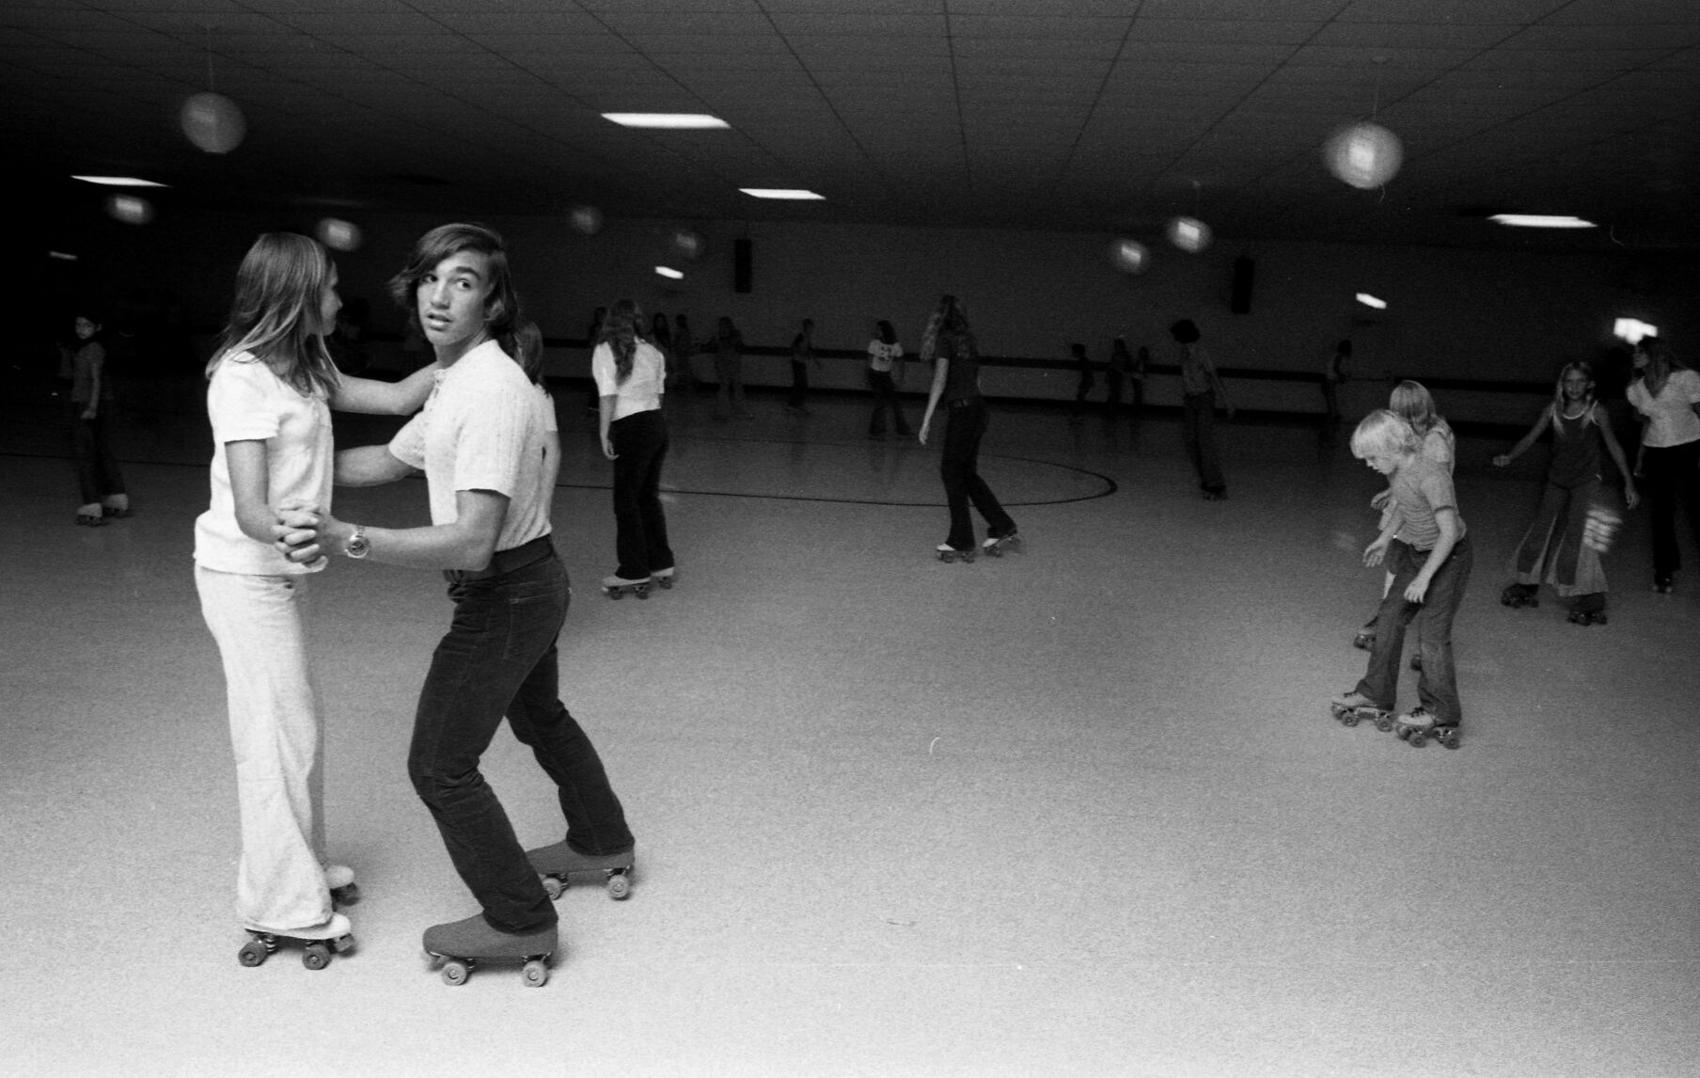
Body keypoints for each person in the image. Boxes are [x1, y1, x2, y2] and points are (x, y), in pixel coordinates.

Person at [287, 223, 635, 969]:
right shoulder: (456, 382)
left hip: (505, 591)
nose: (441, 297)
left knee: (439, 765)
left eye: (464, 282)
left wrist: (347, 537)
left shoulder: (491, 390)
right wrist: (295, 467)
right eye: (431, 279)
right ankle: (601, 840)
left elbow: (474, 540)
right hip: (531, 582)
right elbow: (389, 458)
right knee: (541, 715)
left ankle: (519, 919)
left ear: (493, 303)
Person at [193, 232, 441, 954]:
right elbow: (250, 508)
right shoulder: (241, 378)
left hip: (281, 574)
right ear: (298, 295)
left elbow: (395, 397)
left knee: (297, 724)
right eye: (331, 287)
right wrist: (310, 533)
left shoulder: (305, 364)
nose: (341, 297)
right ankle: (280, 903)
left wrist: (464, 362)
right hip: (244, 574)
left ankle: (300, 865)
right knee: (274, 736)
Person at [1330, 409, 1472, 749]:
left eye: (1372, 457)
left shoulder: (1432, 475)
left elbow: (1449, 532)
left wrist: (1424, 579)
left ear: (1394, 448)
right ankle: (1376, 692)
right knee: (1389, 619)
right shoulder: (1398, 471)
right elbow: (1404, 506)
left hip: (1448, 557)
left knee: (1432, 639)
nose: (1369, 465)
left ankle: (1442, 711)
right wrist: (1385, 538)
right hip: (1417, 552)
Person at [1493, 362, 1638, 622]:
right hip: (1557, 480)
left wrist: (1628, 481)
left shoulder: (1596, 412)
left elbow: (1614, 446)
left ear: (1589, 384)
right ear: (1562, 384)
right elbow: (1531, 436)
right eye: (1569, 382)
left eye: (1579, 381)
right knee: (1539, 530)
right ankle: (1526, 582)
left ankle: (1591, 595)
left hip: (1586, 482)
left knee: (1578, 535)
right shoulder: (1554, 410)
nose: (1574, 387)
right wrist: (1509, 456)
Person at [1352, 380, 1455, 652]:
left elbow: (1433, 483)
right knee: (1397, 568)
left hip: (1423, 524)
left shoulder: (1435, 440)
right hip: (1406, 514)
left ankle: (1401, 631)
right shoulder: (1409, 437)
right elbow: (1409, 476)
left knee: (1417, 578)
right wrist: (1391, 491)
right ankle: (1386, 621)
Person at [918, 294, 1017, 559]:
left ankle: (961, 539)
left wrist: (927, 418)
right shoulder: (968, 341)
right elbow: (977, 379)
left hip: (963, 411)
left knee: (951, 472)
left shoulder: (945, 340)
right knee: (967, 474)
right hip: (977, 408)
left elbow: (939, 380)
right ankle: (1002, 524)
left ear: (938, 317)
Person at [594, 299, 676, 595]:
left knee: (626, 501)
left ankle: (633, 569)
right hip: (656, 426)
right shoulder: (654, 352)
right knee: (647, 498)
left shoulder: (605, 351)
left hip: (631, 427)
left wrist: (604, 433)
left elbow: (607, 396)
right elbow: (660, 395)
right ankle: (660, 562)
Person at [1625, 337, 1700, 593]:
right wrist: (1640, 457)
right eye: (1634, 352)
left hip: (1689, 446)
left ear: (1654, 353)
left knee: (1695, 508)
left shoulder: (1685, 378)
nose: (1635, 355)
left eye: (1640, 351)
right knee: (1661, 513)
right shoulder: (1636, 389)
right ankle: (1664, 571)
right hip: (1658, 450)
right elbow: (1645, 423)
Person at [64, 310, 129, 525]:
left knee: (85, 455)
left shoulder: (93, 349)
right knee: (101, 451)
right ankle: (116, 496)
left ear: (98, 327)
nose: (81, 330)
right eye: (78, 325)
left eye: (87, 326)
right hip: (95, 404)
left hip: (87, 404)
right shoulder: (85, 349)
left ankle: (92, 503)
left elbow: (96, 380)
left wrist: (91, 406)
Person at [1170, 318, 1234, 498]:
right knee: (1190, 441)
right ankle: (1206, 479)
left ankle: (1217, 485)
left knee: (1205, 442)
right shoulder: (1183, 353)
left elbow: (1214, 377)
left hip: (1204, 399)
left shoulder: (1201, 352)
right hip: (1190, 400)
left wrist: (1227, 402)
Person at [866, 318, 911, 437]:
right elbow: (869, 360)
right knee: (879, 403)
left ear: (884, 331)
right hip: (875, 375)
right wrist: (867, 376)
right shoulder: (874, 343)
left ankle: (902, 429)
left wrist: (899, 377)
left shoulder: (895, 346)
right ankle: (876, 431)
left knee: (895, 403)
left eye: (878, 329)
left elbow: (901, 362)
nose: (876, 331)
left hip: (886, 375)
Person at [703, 315, 749, 419]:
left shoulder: (736, 334)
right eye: (720, 325)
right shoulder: (717, 335)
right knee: (724, 386)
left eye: (724, 324)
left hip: (733, 362)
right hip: (721, 363)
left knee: (737, 385)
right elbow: (709, 345)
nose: (722, 326)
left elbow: (739, 345)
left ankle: (740, 410)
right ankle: (722, 411)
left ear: (729, 325)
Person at [787, 317, 820, 414]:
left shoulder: (808, 338)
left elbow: (809, 350)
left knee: (803, 384)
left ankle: (799, 404)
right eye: (810, 327)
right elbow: (793, 347)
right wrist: (800, 352)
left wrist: (816, 361)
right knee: (799, 384)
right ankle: (792, 405)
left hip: (802, 362)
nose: (812, 329)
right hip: (797, 362)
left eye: (812, 327)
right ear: (806, 327)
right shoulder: (801, 336)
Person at [1321, 339, 1351, 442]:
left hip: (1329, 383)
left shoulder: (1335, 356)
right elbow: (1335, 369)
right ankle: (1328, 433)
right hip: (1329, 383)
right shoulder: (1338, 356)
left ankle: (1328, 433)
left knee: (1332, 410)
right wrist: (1342, 377)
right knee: (1333, 411)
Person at [673, 313, 699, 393]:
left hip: (683, 352)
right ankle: (685, 385)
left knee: (685, 370)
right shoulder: (682, 331)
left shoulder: (682, 331)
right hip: (681, 352)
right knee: (683, 370)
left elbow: (678, 341)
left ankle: (687, 386)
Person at [1105, 337, 1131, 415]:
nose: (1117, 348)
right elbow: (1111, 365)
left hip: (1118, 374)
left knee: (1116, 391)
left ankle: (1113, 408)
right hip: (1114, 373)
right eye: (1116, 346)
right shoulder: (1115, 354)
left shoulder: (1125, 355)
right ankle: (1110, 408)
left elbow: (1128, 364)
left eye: (1118, 346)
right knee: (1112, 391)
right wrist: (1107, 375)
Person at [1070, 342, 1094, 418]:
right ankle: (1078, 414)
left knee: (1080, 398)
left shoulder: (1083, 362)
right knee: (1080, 398)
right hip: (1087, 381)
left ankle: (1077, 414)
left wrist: (1085, 383)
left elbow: (1087, 373)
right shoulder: (1084, 361)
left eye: (1073, 352)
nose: (1072, 353)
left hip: (1086, 382)